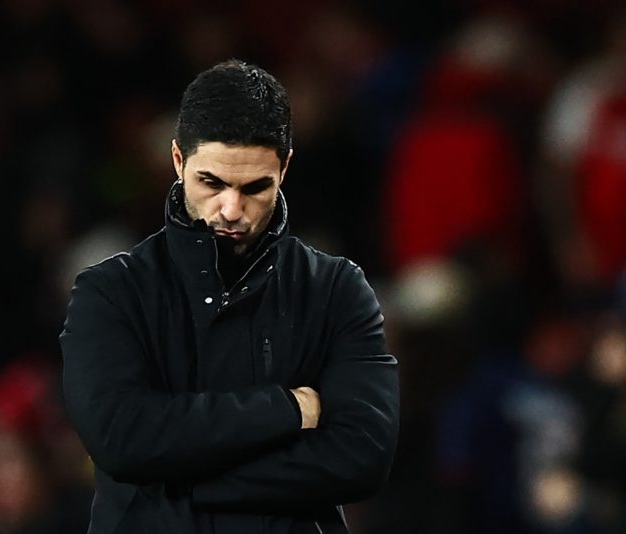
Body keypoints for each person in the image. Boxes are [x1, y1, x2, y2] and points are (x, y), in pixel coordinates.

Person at [60, 59, 399, 534]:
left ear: (285, 167)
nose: (232, 209)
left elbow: (361, 459)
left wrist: (178, 481)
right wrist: (285, 409)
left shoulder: (337, 289)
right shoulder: (111, 292)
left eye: (255, 187)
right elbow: (121, 439)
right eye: (211, 183)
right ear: (178, 161)